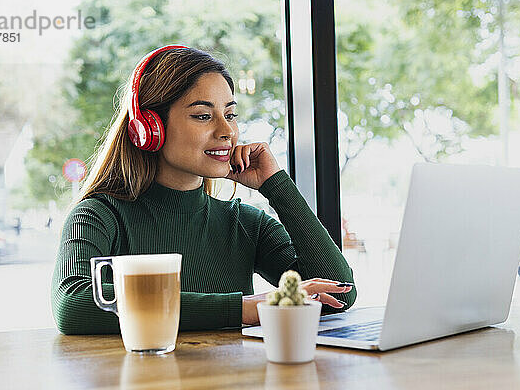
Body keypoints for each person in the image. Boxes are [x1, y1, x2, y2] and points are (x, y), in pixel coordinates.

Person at [51, 45, 357, 335]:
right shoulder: (98, 216)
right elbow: (73, 302)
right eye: (203, 115)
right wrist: (241, 309)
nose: (227, 131)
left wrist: (276, 185)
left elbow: (338, 293)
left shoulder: (246, 224)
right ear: (149, 129)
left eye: (231, 114)